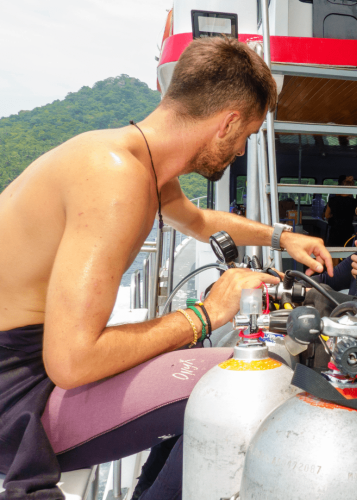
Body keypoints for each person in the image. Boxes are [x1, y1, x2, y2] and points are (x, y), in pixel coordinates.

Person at [0, 37, 333, 499]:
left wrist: (283, 237)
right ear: (227, 122)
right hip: (16, 391)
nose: (239, 151)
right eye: (246, 136)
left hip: (31, 360)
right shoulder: (115, 179)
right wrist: (206, 314)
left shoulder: (130, 159)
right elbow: (72, 361)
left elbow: (200, 221)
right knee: (255, 389)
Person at [324, 175, 357, 246]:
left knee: (333, 251)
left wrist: (333, 215)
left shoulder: (332, 200)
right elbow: (356, 216)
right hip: (348, 230)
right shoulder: (354, 202)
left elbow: (326, 215)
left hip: (335, 230)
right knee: (346, 251)